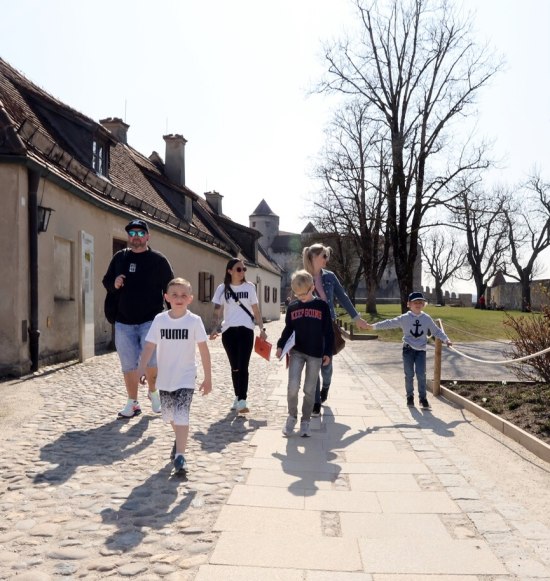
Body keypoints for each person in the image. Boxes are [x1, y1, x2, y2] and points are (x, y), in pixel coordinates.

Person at [136, 278, 212, 473]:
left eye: (184, 295)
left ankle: (180, 456)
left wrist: (208, 377)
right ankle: (179, 440)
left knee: (181, 415)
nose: (179, 298)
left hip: (186, 376)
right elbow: (149, 346)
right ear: (167, 297)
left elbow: (203, 349)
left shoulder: (194, 321)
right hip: (165, 378)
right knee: (170, 415)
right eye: (175, 295)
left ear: (190, 299)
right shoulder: (160, 320)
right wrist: (141, 367)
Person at [102, 219, 174, 419]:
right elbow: (106, 281)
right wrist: (113, 283)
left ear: (148, 237)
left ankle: (153, 392)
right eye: (132, 233)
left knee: (151, 361)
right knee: (128, 364)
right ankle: (132, 403)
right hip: (123, 322)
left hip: (151, 320)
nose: (136, 237)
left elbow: (170, 290)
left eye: (140, 234)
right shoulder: (120, 258)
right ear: (128, 237)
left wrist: (174, 318)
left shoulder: (158, 261)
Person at [302, 243, 369, 415]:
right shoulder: (303, 278)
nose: (327, 260)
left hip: (328, 326)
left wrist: (356, 318)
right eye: (324, 256)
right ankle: (316, 402)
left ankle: (326, 386)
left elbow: (343, 297)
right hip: (310, 327)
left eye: (327, 256)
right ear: (313, 257)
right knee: (313, 365)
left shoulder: (330, 277)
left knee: (326, 367)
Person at [366, 291, 453, 408]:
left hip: (421, 351)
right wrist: (374, 326)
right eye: (415, 302)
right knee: (409, 374)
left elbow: (436, 331)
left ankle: (423, 398)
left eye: (420, 302)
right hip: (408, 350)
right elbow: (390, 323)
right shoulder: (404, 318)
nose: (418, 304)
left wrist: (446, 340)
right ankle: (410, 397)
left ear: (423, 305)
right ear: (409, 304)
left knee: (421, 374)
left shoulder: (426, 319)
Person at [276, 270, 333, 437]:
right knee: (292, 386)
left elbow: (328, 332)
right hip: (297, 352)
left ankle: (306, 420)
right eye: (297, 294)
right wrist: (280, 345)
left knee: (309, 389)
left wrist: (328, 352)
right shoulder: (293, 307)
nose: (301, 298)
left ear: (313, 287)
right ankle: (292, 416)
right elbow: (288, 329)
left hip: (315, 354)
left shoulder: (321, 306)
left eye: (304, 294)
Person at [209, 258, 267, 414]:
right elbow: (217, 310)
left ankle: (242, 399)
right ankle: (237, 396)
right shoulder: (222, 288)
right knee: (234, 366)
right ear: (230, 271)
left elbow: (256, 310)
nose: (242, 272)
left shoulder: (250, 287)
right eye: (239, 269)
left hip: (246, 330)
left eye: (244, 269)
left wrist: (261, 328)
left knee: (243, 366)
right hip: (228, 331)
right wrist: (214, 328)